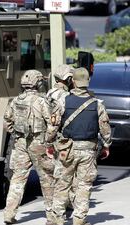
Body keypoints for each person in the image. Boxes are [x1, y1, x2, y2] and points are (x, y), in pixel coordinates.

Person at [48, 68, 111, 225]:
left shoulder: (63, 101)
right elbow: (105, 129)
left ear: (73, 81)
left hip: (66, 150)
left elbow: (53, 125)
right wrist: (107, 145)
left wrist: (49, 143)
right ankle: (79, 220)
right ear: (87, 82)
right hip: (88, 151)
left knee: (62, 185)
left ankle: (58, 220)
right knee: (84, 186)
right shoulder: (97, 104)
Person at [3, 70, 55, 225]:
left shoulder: (15, 100)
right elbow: (52, 124)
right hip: (39, 143)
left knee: (17, 179)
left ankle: (9, 214)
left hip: (20, 143)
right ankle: (52, 217)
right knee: (47, 179)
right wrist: (49, 141)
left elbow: (7, 123)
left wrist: (17, 134)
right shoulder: (43, 101)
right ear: (38, 83)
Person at [46, 64, 77, 210]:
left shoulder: (49, 93)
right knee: (66, 173)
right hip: (62, 139)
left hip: (49, 137)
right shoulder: (66, 97)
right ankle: (64, 204)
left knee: (53, 174)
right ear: (68, 79)